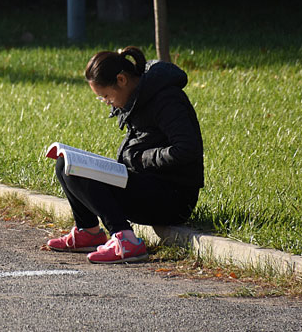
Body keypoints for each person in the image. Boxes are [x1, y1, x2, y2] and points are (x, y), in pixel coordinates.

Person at [46, 46, 203, 264]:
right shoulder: (138, 97)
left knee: (77, 172)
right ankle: (89, 231)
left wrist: (140, 159)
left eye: (107, 97)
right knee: (65, 164)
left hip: (173, 198)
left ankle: (125, 239)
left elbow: (187, 149)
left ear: (121, 80)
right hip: (148, 185)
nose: (107, 104)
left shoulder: (166, 100)